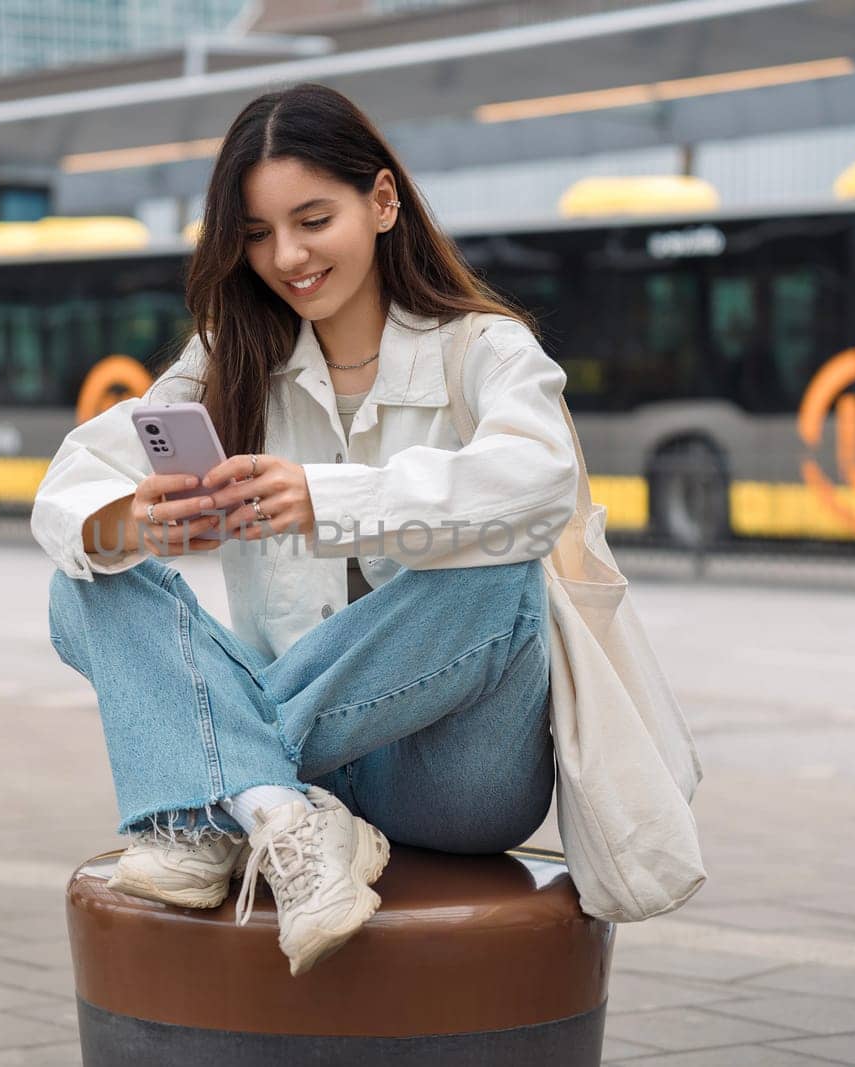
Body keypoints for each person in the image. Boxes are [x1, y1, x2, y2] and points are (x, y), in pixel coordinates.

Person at [32, 83, 578, 977]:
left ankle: (216, 788)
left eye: (313, 219)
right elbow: (68, 486)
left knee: (502, 569)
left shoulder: (483, 349)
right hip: (314, 767)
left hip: (454, 780)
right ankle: (276, 812)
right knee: (86, 574)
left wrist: (333, 498)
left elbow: (542, 481)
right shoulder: (229, 357)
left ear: (383, 201)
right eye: (254, 233)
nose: (286, 255)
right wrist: (132, 516)